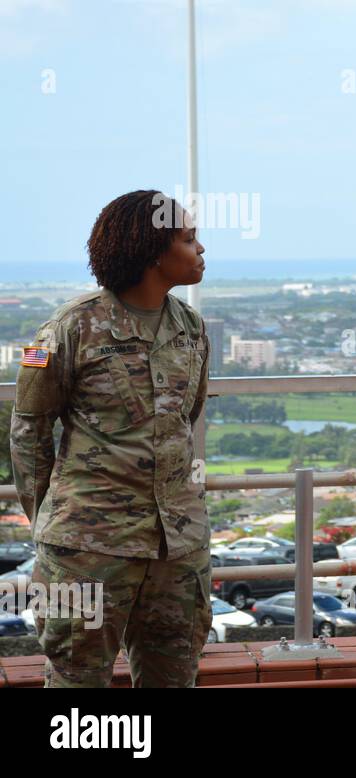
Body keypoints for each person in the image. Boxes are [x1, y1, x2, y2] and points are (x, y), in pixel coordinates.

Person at [10, 190, 213, 687]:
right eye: (188, 239)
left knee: (174, 677)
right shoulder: (67, 328)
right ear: (152, 251)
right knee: (77, 680)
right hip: (87, 549)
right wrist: (55, 523)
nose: (201, 249)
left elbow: (187, 419)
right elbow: (29, 430)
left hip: (178, 549)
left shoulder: (191, 328)